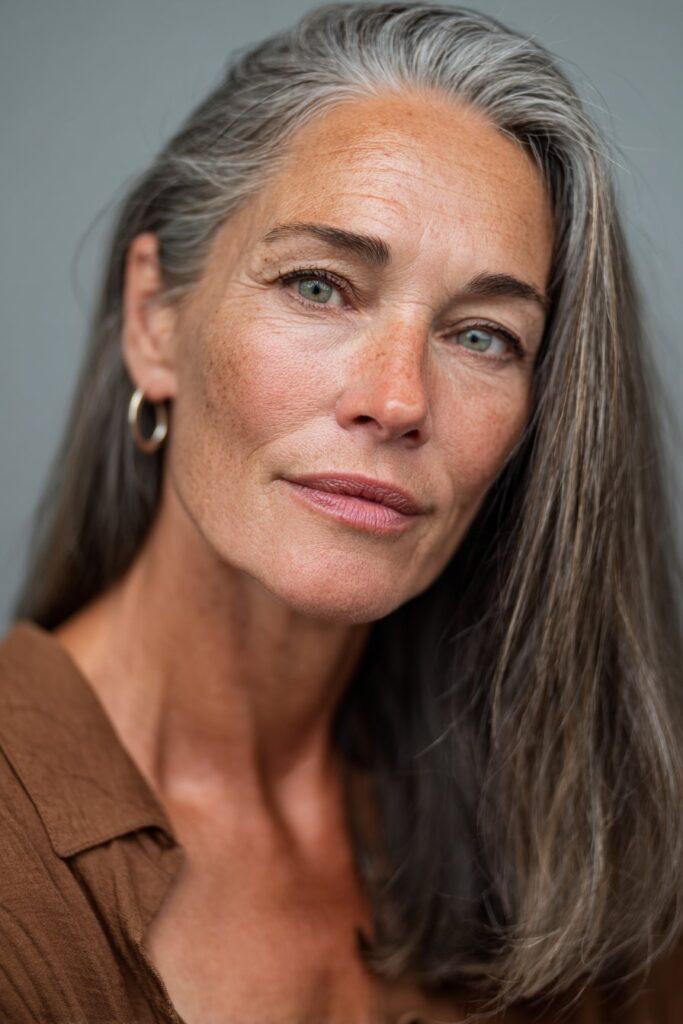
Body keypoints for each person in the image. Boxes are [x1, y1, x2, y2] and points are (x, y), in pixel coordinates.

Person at [1, 2, 681, 1022]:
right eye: (319, 286)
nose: (398, 399)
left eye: (483, 336)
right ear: (155, 321)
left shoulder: (586, 845)